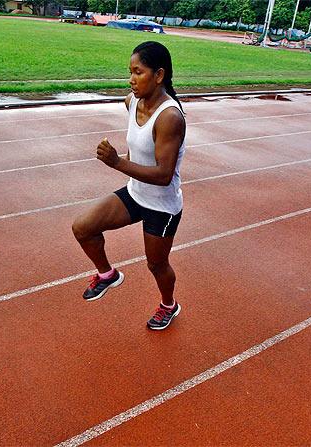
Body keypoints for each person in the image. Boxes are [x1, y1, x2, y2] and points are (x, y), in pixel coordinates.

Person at [72, 41, 186, 331]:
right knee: (83, 227)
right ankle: (108, 274)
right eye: (130, 72)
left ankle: (168, 305)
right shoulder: (132, 101)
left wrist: (117, 162)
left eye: (139, 72)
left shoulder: (170, 117)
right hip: (136, 193)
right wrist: (127, 164)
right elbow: (140, 147)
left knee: (156, 265)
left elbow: (163, 174)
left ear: (159, 75)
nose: (131, 79)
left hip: (162, 206)